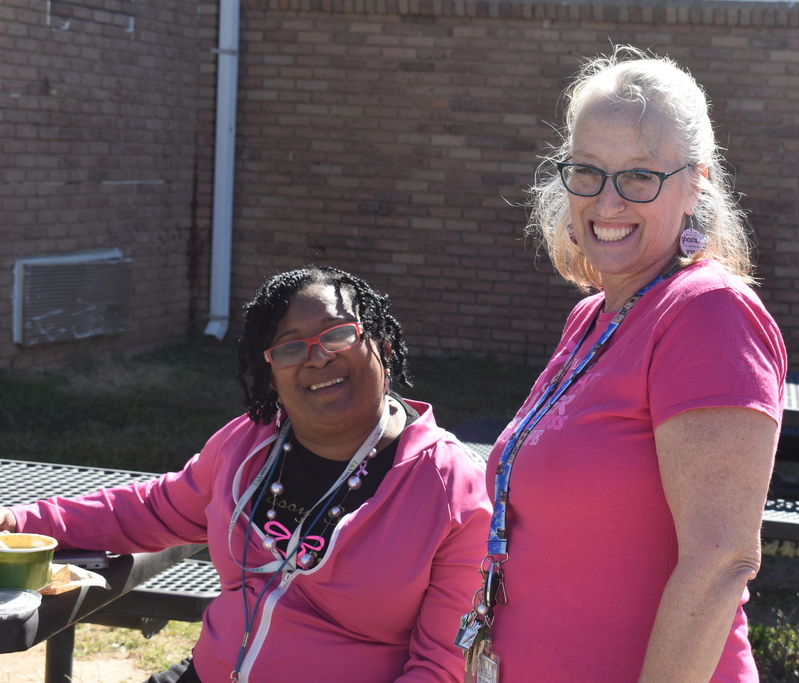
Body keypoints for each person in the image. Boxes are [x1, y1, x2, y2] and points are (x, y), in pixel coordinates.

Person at [457, 47, 788, 682]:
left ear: (696, 183)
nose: (607, 202)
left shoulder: (708, 313)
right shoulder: (593, 317)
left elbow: (721, 561)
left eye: (639, 176)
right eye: (587, 171)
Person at [1, 265, 492, 683]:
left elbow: (443, 666)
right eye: (290, 348)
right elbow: (153, 509)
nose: (318, 356)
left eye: (337, 333)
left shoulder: (451, 489)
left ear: (381, 343)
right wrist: (18, 523)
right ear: (271, 374)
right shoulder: (250, 445)